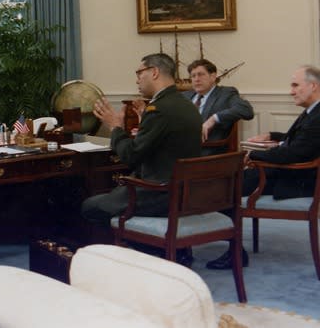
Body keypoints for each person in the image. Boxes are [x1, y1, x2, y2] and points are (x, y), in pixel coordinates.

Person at [83, 53, 203, 264]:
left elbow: (130, 157)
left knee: (90, 206)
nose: (137, 79)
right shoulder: (186, 105)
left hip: (160, 193)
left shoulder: (159, 110)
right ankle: (168, 251)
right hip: (186, 193)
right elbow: (166, 144)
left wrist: (115, 127)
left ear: (154, 72)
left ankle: (147, 256)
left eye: (140, 73)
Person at [206, 65, 320, 270]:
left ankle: (235, 252)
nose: (291, 91)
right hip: (289, 172)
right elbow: (300, 141)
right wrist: (273, 136)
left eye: (295, 85)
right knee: (224, 181)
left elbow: (294, 153)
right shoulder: (313, 111)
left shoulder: (318, 115)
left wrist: (253, 155)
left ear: (313, 86)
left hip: (295, 180)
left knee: (221, 188)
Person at [184, 58, 254, 149]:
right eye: (193, 76)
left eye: (200, 75)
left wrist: (213, 119)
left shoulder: (226, 93)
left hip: (206, 151)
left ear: (213, 77)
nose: (196, 79)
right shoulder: (184, 96)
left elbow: (246, 110)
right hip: (180, 148)